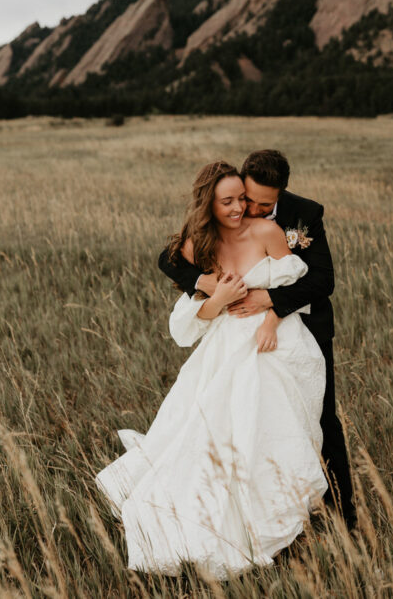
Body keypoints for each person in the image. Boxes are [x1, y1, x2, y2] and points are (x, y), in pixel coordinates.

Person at [96, 161, 329, 578]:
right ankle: (213, 522)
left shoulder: (269, 232)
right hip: (225, 347)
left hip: (274, 340)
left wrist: (272, 316)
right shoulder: (198, 247)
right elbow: (188, 323)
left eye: (242, 198)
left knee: (274, 428)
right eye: (229, 201)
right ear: (209, 204)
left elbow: (295, 286)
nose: (240, 208)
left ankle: (281, 522)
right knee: (212, 432)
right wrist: (217, 296)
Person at [158, 150, 356, 531]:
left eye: (265, 204)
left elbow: (321, 280)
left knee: (319, 419)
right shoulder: (226, 211)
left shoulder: (305, 214)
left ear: (280, 193)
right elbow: (169, 260)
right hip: (233, 334)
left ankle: (341, 515)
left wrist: (271, 302)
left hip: (303, 328)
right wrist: (205, 285)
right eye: (247, 199)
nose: (253, 209)